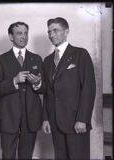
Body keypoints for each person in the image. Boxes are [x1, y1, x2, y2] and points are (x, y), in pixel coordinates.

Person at [42, 17, 96, 159]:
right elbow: (48, 92)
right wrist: (46, 118)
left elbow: (89, 88)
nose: (51, 35)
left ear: (66, 32)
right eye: (49, 32)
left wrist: (83, 119)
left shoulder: (80, 54)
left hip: (76, 122)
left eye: (55, 30)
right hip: (55, 123)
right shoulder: (47, 61)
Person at [0, 22, 44, 159]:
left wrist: (38, 83)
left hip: (31, 118)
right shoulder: (1, 60)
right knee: (8, 155)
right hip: (8, 118)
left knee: (26, 156)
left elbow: (45, 89)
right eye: (19, 33)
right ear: (11, 36)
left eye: (25, 33)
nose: (23, 36)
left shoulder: (37, 59)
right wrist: (14, 81)